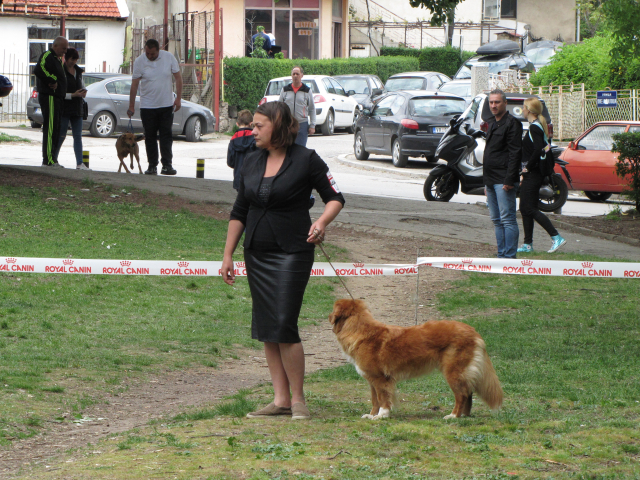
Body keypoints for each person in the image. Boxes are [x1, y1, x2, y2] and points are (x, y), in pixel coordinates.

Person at [221, 101, 344, 420]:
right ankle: (280, 399)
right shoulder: (249, 159)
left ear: (278, 127)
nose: (254, 131)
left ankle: (299, 399)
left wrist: (321, 223)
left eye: (260, 126)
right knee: (266, 326)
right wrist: (227, 254)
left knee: (284, 322)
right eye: (254, 125)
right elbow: (239, 211)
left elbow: (335, 197)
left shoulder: (306, 159)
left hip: (293, 250)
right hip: (257, 251)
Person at [518, 97, 566, 254]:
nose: (522, 110)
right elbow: (544, 148)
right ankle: (527, 244)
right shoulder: (537, 126)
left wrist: (527, 168)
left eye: (523, 107)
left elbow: (539, 149)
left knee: (528, 208)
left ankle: (556, 237)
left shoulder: (534, 128)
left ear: (529, 110)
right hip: (535, 173)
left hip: (533, 174)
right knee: (525, 208)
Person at [128, 38, 182, 175]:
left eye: (152, 54)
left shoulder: (169, 57)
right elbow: (134, 85)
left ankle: (167, 165)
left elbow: (178, 78)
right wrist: (131, 106)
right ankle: (152, 165)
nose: (150, 56)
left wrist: (178, 99)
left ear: (159, 50)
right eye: (147, 53)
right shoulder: (140, 61)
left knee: (166, 136)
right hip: (147, 106)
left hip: (166, 105)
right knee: (150, 137)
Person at [483, 89, 522, 259]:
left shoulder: (512, 123)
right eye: (491, 102)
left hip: (504, 179)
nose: (493, 105)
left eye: (497, 102)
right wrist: (486, 182)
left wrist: (509, 179)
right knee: (496, 220)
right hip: (490, 179)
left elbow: (515, 153)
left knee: (507, 219)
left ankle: (509, 256)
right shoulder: (492, 123)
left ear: (505, 103)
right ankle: (501, 254)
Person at [33, 36, 68, 168]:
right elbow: (38, 70)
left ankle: (53, 158)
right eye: (63, 49)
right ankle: (47, 160)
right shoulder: (47, 55)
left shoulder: (57, 60)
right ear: (55, 46)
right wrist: (52, 80)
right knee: (51, 127)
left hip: (58, 98)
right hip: (50, 97)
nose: (64, 52)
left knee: (56, 128)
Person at [53, 47, 90, 170]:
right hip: (64, 108)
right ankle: (53, 159)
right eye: (71, 59)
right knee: (61, 135)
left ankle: (80, 163)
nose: (73, 62)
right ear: (66, 58)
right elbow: (59, 92)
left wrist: (83, 92)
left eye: (75, 59)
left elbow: (82, 84)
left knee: (78, 136)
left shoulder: (78, 71)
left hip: (77, 108)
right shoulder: (61, 71)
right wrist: (73, 95)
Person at [278, 66, 316, 147]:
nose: (295, 76)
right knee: (287, 148)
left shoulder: (307, 90)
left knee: (300, 148)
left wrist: (312, 125)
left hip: (302, 124)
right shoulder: (285, 90)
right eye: (293, 74)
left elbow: (312, 109)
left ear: (302, 75)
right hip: (288, 123)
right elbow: (279, 107)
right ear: (291, 75)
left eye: (297, 74)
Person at [227, 109, 256, 191]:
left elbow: (230, 162)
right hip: (253, 178)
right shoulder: (255, 139)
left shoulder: (233, 140)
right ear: (251, 123)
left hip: (238, 179)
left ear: (237, 124)